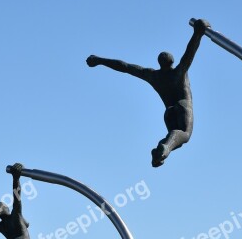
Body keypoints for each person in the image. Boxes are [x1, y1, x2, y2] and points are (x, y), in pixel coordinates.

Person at [87, 18, 210, 167]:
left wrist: (99, 60)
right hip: (184, 106)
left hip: (169, 111)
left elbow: (125, 66)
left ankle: (161, 153)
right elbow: (189, 53)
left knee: (172, 135)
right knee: (185, 134)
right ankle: (166, 148)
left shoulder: (153, 76)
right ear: (172, 62)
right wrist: (198, 33)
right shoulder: (179, 72)